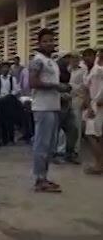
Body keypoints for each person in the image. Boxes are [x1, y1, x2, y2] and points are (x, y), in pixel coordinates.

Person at [29, 28, 70, 192]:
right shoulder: (37, 60)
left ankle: (44, 177)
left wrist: (61, 93)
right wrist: (56, 86)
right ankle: (39, 179)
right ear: (39, 43)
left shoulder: (51, 61)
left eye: (51, 40)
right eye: (45, 41)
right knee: (42, 143)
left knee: (50, 145)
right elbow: (33, 83)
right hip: (42, 107)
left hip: (53, 106)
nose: (49, 43)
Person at [83, 49, 103, 174]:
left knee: (92, 134)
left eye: (89, 55)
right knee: (98, 135)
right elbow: (87, 89)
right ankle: (99, 163)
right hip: (93, 104)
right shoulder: (89, 71)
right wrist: (88, 105)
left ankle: (99, 165)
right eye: (84, 56)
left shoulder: (99, 70)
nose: (87, 58)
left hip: (99, 104)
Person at [0, 62, 21, 146]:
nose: (5, 69)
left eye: (6, 68)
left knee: (10, 121)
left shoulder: (12, 79)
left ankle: (11, 139)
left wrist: (10, 94)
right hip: (1, 101)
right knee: (2, 121)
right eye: (3, 68)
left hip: (9, 101)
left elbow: (16, 90)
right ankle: (4, 139)